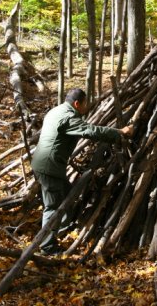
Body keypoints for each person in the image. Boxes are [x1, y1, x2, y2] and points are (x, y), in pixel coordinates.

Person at [31, 88, 133, 255]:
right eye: (85, 103)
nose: (87, 106)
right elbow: (90, 131)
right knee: (53, 206)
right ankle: (47, 246)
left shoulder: (56, 110)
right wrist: (119, 132)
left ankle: (58, 230)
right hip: (49, 167)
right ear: (77, 104)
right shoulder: (68, 117)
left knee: (67, 196)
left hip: (44, 164)